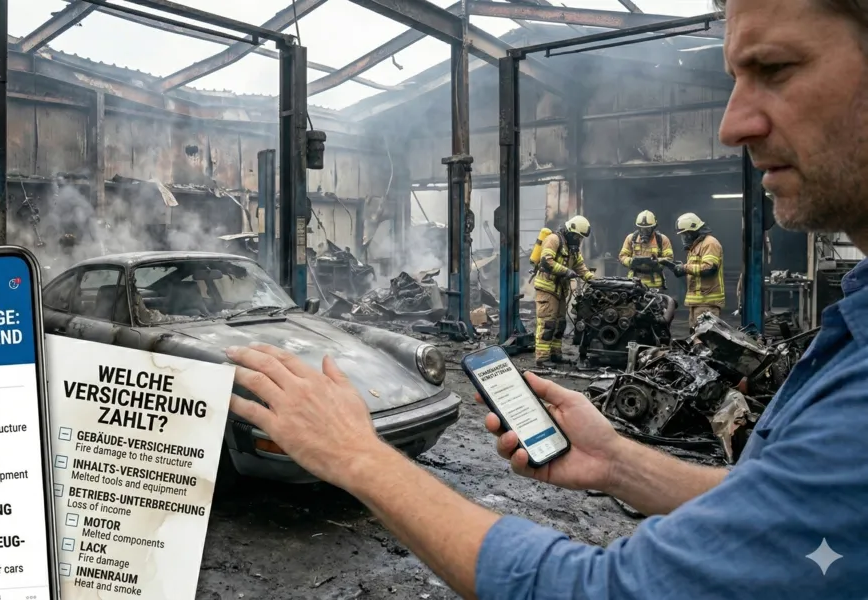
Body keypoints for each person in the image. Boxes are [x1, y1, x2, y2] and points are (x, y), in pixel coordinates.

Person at [225, 0, 868, 597]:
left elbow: (604, 587)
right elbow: (772, 516)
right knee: (548, 336)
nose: (732, 124)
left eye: (776, 68)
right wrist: (619, 462)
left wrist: (358, 457)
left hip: (612, 295)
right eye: (733, 78)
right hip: (551, 294)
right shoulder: (850, 335)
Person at [531, 215, 595, 367]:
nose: (579, 240)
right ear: (571, 232)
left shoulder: (572, 248)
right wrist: (566, 271)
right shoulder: (553, 239)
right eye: (578, 237)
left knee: (560, 323)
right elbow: (546, 261)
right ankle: (542, 358)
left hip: (560, 289)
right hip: (547, 288)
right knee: (547, 323)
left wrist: (594, 280)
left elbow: (580, 267)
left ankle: (555, 354)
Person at [668, 212, 725, 327]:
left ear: (692, 232)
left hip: (707, 302)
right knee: (696, 337)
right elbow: (696, 270)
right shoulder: (696, 247)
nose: (683, 238)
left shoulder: (710, 243)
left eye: (685, 234)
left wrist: (684, 268)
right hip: (698, 302)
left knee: (706, 338)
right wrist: (680, 267)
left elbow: (709, 268)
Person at [618, 210, 674, 289]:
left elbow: (669, 258)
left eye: (647, 229)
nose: (644, 232)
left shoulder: (662, 239)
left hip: (655, 285)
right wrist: (631, 261)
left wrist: (657, 262)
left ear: (653, 227)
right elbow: (622, 256)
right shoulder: (631, 238)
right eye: (641, 229)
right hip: (634, 283)